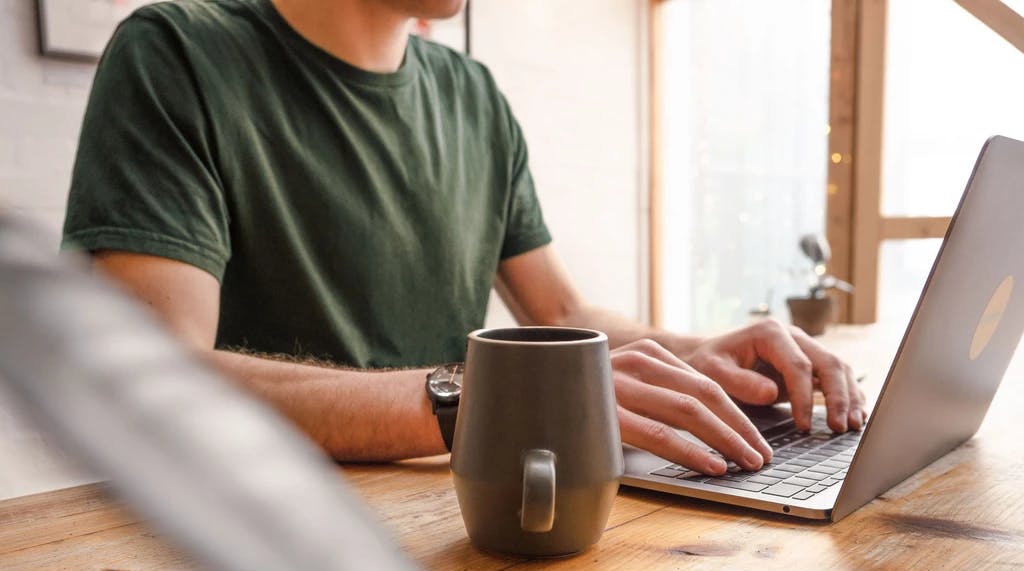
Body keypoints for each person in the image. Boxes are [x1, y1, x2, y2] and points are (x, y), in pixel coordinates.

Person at [63, 0, 866, 476]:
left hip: (459, 531)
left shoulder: (473, 96)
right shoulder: (175, 54)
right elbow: (152, 377)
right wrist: (475, 399)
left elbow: (561, 315)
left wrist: (698, 350)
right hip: (255, 561)